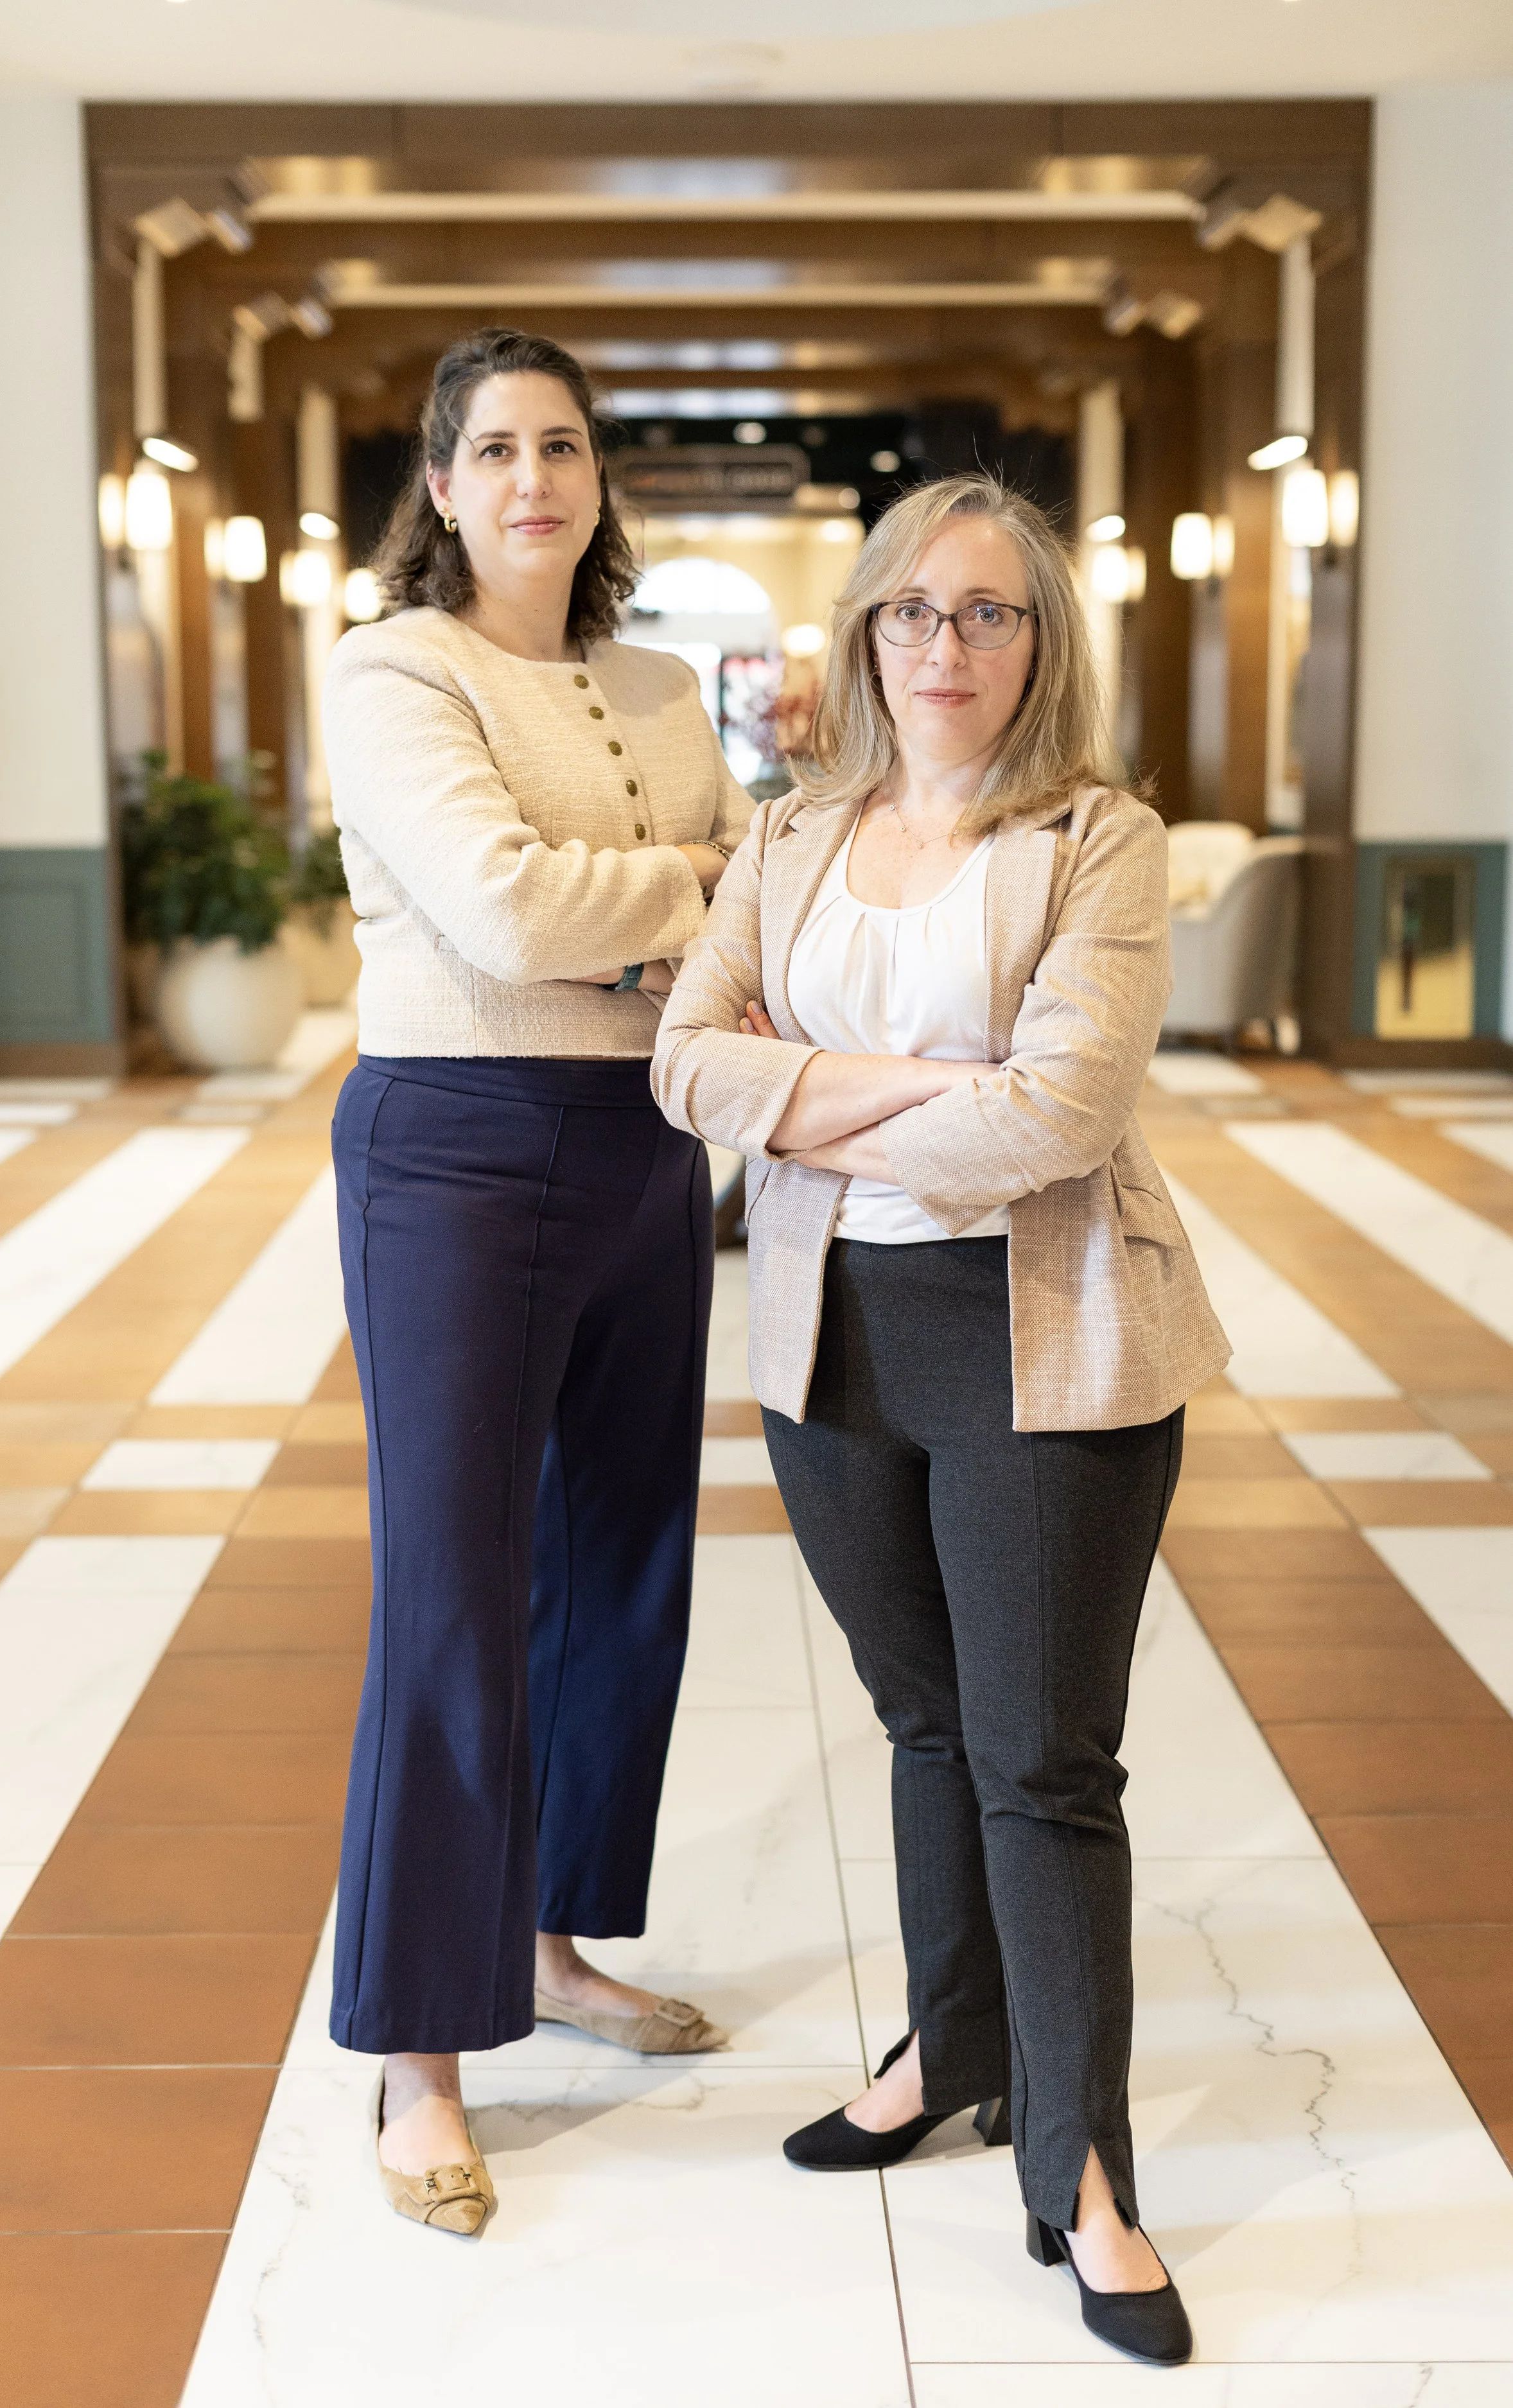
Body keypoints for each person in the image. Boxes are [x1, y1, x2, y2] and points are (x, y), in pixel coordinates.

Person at [652, 473, 1228, 2366]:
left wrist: (806, 1090)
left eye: (987, 612)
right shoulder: (791, 829)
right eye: (914, 608)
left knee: (1037, 1761)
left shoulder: (1096, 837)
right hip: (833, 1338)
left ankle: (1081, 2170)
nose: (945, 643)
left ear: (1038, 640)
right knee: (919, 1717)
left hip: (1039, 1335)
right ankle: (945, 2044)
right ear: (865, 633)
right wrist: (907, 1080)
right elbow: (683, 1062)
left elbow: (1055, 1120)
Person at [322, 326, 750, 2235]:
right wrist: (677, 890)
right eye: (491, 449)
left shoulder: (658, 681)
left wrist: (659, 899)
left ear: (596, 476)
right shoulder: (391, 669)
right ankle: (422, 2052)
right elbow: (499, 903)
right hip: (455, 1154)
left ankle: (555, 1936)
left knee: (621, 1563)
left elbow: (749, 898)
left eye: (561, 445)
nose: (531, 480)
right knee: (456, 1584)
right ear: (441, 483)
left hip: (650, 1144)